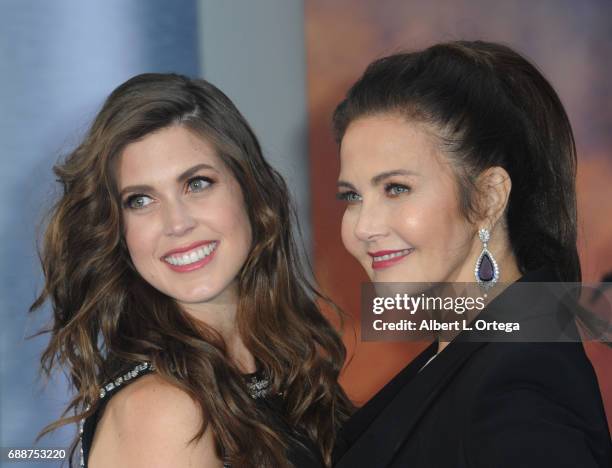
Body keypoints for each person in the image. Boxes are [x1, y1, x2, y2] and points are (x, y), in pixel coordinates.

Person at [31, 73, 352, 468]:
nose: (176, 223)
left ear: (250, 191)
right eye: (141, 200)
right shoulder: (162, 411)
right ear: (117, 230)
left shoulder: (280, 361)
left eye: (197, 183)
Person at [331, 41, 612, 467]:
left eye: (396, 189)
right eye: (352, 196)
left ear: (487, 197)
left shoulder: (519, 385)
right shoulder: (470, 350)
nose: (364, 227)